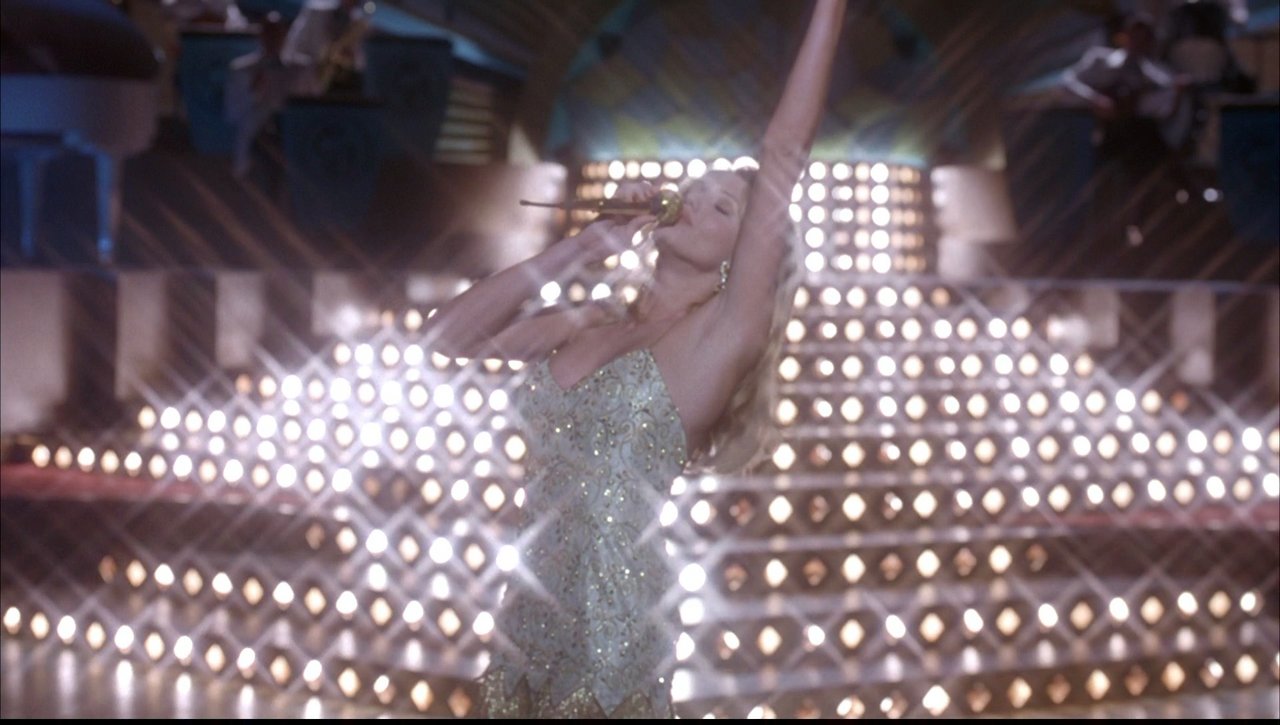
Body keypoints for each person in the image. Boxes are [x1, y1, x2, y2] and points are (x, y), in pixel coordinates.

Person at [419, 0, 848, 717]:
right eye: (697, 189)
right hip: (527, 618)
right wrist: (582, 246)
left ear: (742, 257)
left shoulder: (720, 334)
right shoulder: (589, 319)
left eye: (724, 208)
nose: (697, 200)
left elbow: (782, 153)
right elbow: (442, 341)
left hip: (614, 632)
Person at [1063, 11, 1191, 247]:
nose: (1138, 43)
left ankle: (1142, 227)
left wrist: (1175, 95)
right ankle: (1102, 234)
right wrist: (1096, 100)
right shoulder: (1101, 60)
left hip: (1141, 137)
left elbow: (1164, 108)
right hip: (1111, 135)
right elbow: (1069, 82)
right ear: (1125, 36)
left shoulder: (1157, 73)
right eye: (1135, 36)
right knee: (1105, 184)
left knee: (1151, 178)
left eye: (1144, 39)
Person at [225, 12, 303, 177]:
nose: (273, 39)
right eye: (269, 34)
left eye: (277, 34)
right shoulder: (242, 69)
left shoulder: (299, 69)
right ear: (261, 36)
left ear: (284, 36)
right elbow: (233, 112)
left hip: (291, 130)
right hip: (256, 132)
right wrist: (253, 91)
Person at [280, 0, 369, 96]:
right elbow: (290, 53)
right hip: (305, 81)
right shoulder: (315, 12)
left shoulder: (357, 23)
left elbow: (359, 63)